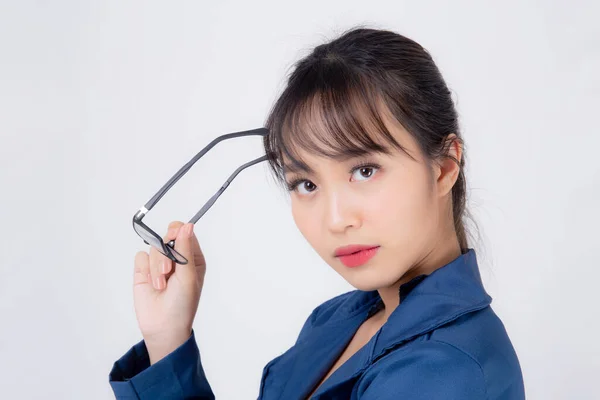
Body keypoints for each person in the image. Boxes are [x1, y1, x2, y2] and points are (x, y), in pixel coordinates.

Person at [108, 27, 525, 399]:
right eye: (306, 184)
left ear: (444, 168)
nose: (335, 219)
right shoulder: (336, 322)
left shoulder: (446, 371)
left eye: (364, 171)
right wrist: (167, 340)